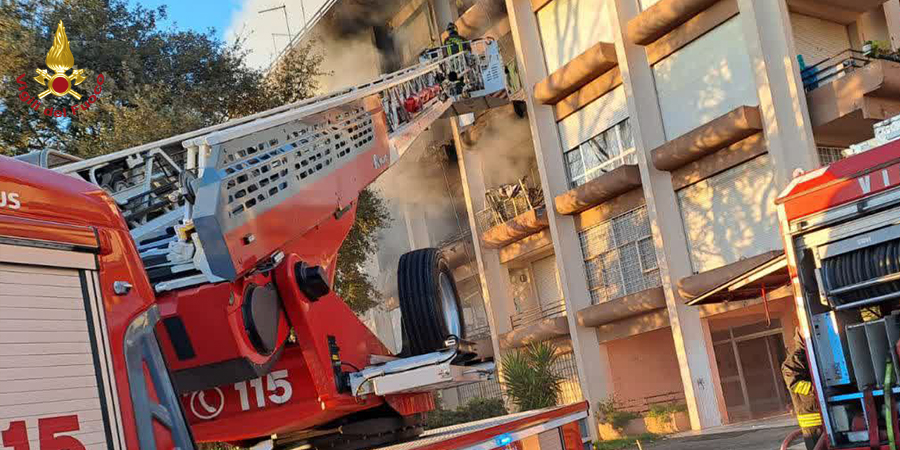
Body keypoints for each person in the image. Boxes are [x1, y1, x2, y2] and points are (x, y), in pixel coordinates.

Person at [782, 329, 823, 450]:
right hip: (812, 422)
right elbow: (796, 385)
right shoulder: (794, 361)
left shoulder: (814, 355)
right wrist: (818, 390)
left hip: (822, 415)